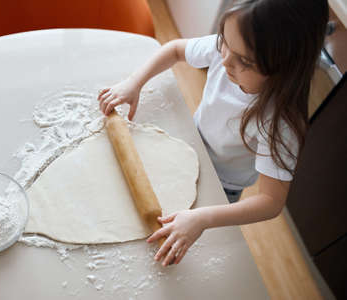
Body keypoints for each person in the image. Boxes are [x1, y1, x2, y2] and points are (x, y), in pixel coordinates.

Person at [97, 0, 328, 266]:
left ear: (284, 68)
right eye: (225, 42)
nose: (225, 60)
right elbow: (174, 50)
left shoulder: (280, 122)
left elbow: (270, 201)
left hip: (222, 184)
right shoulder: (228, 49)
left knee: (191, 241)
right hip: (191, 144)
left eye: (244, 62)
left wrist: (202, 218)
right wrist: (133, 82)